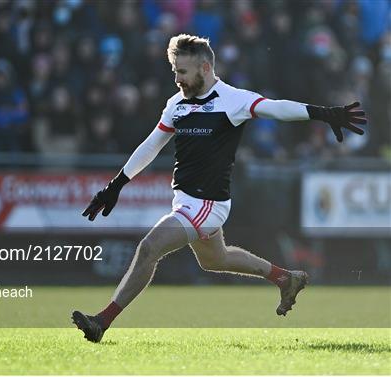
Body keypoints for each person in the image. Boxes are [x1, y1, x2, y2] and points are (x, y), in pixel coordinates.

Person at [72, 34, 366, 343]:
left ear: (205, 67)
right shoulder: (176, 104)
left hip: (208, 204)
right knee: (215, 259)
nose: (177, 78)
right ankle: (286, 278)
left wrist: (325, 113)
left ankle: (102, 322)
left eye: (182, 71)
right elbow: (150, 146)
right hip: (185, 200)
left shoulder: (232, 99)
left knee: (149, 248)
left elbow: (276, 108)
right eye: (174, 71)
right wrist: (116, 185)